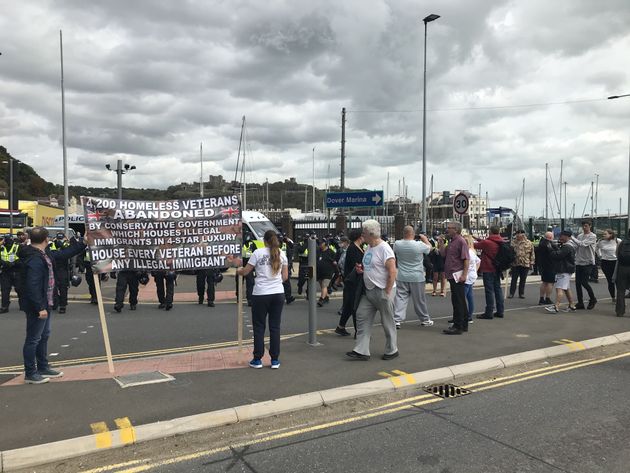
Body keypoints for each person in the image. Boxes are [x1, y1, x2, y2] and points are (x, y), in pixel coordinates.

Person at [19, 227, 82, 384]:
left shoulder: (43, 254)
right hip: (37, 305)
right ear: (46, 239)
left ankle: (42, 367)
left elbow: (63, 254)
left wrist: (83, 243)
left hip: (45, 302)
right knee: (33, 338)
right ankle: (30, 373)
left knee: (43, 336)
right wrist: (40, 307)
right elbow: (32, 285)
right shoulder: (34, 258)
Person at [346, 219, 398, 361]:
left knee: (387, 322)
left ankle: (392, 349)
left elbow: (392, 271)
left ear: (371, 233)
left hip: (382, 290)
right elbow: (371, 266)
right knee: (361, 316)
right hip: (369, 291)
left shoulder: (384, 248)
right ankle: (361, 350)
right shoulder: (369, 247)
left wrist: (387, 291)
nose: (362, 235)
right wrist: (361, 270)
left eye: (364, 233)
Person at [237, 230, 288, 369]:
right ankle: (275, 360)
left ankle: (257, 359)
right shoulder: (282, 254)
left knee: (259, 327)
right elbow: (285, 277)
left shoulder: (257, 253)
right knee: (275, 327)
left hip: (261, 294)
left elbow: (246, 271)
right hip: (278, 293)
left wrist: (238, 270)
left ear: (264, 240)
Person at [392, 226, 433, 328]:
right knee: (419, 299)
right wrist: (425, 240)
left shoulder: (397, 244)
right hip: (417, 276)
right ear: (413, 233)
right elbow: (429, 249)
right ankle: (424, 319)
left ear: (403, 233)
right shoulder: (419, 245)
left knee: (400, 298)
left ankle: (397, 320)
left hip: (402, 275)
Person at [439, 222, 470, 335]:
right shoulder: (452, 241)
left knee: (458, 300)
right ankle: (462, 323)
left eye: (449, 228)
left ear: (456, 230)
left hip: (457, 274)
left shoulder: (461, 241)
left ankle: (459, 325)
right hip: (452, 275)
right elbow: (443, 254)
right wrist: (441, 243)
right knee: (458, 299)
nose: (447, 230)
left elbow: (466, 259)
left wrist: (464, 275)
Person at [336, 229, 364, 336]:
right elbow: (357, 265)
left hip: (352, 280)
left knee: (348, 305)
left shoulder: (357, 247)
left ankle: (341, 327)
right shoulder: (353, 248)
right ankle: (359, 332)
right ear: (359, 236)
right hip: (353, 281)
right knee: (355, 307)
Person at [474, 225, 505, 319]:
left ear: (490, 232)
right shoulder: (501, 241)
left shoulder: (487, 243)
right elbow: (485, 242)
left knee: (489, 291)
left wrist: (471, 239)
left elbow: (474, 245)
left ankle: (489, 312)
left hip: (488, 268)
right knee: (498, 289)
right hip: (497, 268)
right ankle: (500, 311)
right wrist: (478, 238)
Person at [545, 230, 576, 313]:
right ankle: (571, 305)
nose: (560, 237)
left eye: (562, 236)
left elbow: (558, 255)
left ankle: (556, 306)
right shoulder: (569, 245)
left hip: (563, 269)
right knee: (566, 288)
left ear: (567, 237)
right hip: (567, 269)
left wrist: (551, 249)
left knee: (559, 288)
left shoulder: (567, 246)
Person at [571, 219, 597, 310]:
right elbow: (576, 246)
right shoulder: (580, 235)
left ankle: (593, 299)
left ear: (590, 226)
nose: (584, 227)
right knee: (577, 283)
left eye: (586, 226)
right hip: (579, 261)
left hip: (588, 262)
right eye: (583, 226)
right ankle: (580, 302)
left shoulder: (592, 236)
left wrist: (572, 238)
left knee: (584, 282)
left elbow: (582, 244)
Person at [48, 232, 72, 313]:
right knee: (53, 287)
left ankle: (63, 305)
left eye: (61, 239)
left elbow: (69, 253)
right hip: (53, 268)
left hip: (63, 268)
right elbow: (49, 253)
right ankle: (55, 302)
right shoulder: (52, 245)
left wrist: (61, 245)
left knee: (63, 288)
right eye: (58, 239)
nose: (60, 240)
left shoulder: (66, 245)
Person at [509, 230, 535, 299]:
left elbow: (532, 253)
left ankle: (521, 293)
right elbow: (510, 253)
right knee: (514, 279)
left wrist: (532, 262)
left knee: (523, 280)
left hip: (525, 263)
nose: (518, 237)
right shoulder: (513, 242)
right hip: (515, 263)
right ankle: (511, 293)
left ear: (523, 235)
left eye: (520, 235)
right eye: (517, 235)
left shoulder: (529, 243)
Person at [0, 235, 22, 313]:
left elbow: (23, 258)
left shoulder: (18, 246)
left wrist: (13, 263)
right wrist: (4, 263)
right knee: (5, 290)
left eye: (2, 239)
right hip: (5, 271)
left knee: (19, 289)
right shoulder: (1, 247)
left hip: (16, 270)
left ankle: (22, 305)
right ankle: (4, 307)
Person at [597, 229, 619, 302]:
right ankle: (613, 297)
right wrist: (600, 255)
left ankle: (620, 298)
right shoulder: (601, 242)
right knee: (610, 281)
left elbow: (622, 248)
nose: (603, 235)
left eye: (605, 234)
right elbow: (596, 248)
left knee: (617, 281)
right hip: (605, 262)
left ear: (611, 234)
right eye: (603, 234)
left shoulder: (617, 241)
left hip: (615, 262)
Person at [463, 234, 480, 324]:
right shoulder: (472, 251)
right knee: (470, 297)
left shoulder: (467, 252)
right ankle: (469, 316)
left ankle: (465, 316)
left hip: (467, 277)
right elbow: (478, 261)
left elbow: (466, 265)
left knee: (462, 298)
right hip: (471, 276)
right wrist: (475, 271)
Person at [536, 231, 556, 305]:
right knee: (550, 283)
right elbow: (555, 253)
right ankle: (547, 298)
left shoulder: (541, 243)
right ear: (550, 237)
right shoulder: (549, 244)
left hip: (542, 265)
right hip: (550, 265)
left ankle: (541, 298)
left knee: (544, 282)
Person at [316, 239, 336, 307]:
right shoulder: (318, 251)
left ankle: (321, 299)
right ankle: (326, 297)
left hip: (328, 272)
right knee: (322, 285)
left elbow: (336, 260)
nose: (320, 245)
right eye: (319, 244)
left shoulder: (331, 252)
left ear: (325, 243)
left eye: (321, 243)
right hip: (319, 272)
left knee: (324, 285)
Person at [615, 229, 630, 317]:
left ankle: (620, 311)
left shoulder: (623, 242)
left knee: (621, 290)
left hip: (623, 268)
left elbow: (617, 254)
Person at [429, 232, 446, 297]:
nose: (440, 242)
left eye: (441, 241)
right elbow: (431, 255)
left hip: (443, 264)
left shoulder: (445, 248)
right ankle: (434, 290)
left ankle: (442, 291)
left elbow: (445, 256)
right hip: (436, 263)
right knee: (435, 277)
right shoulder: (435, 248)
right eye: (439, 240)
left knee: (442, 277)